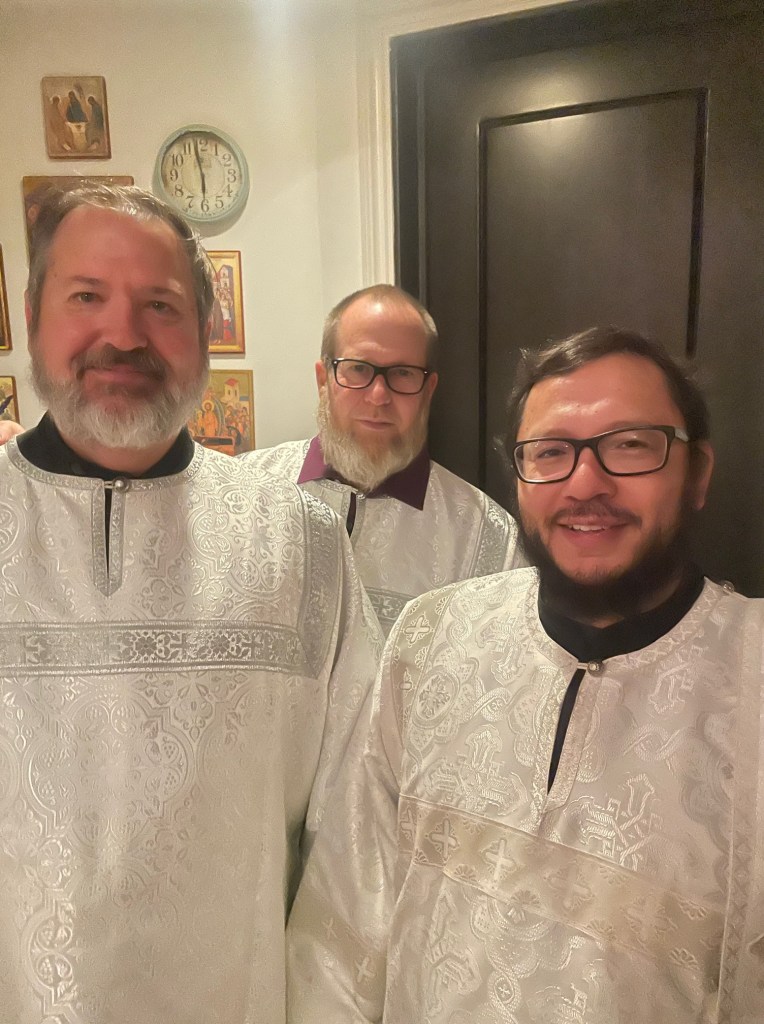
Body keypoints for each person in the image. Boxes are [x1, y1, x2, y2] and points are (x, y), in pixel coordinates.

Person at [286, 327, 764, 1023]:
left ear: (697, 474)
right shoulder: (431, 639)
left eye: (632, 445)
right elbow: (344, 919)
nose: (586, 483)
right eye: (550, 452)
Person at [0, 182, 381, 1024]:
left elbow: (359, 821)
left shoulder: (302, 544)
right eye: (86, 297)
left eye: (161, 305)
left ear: (206, 329)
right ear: (32, 316)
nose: (123, 335)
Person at [245, 285, 524, 634]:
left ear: (429, 390)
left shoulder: (489, 540)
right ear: (323, 379)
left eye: (403, 373)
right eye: (358, 369)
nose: (379, 396)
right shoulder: (242, 494)